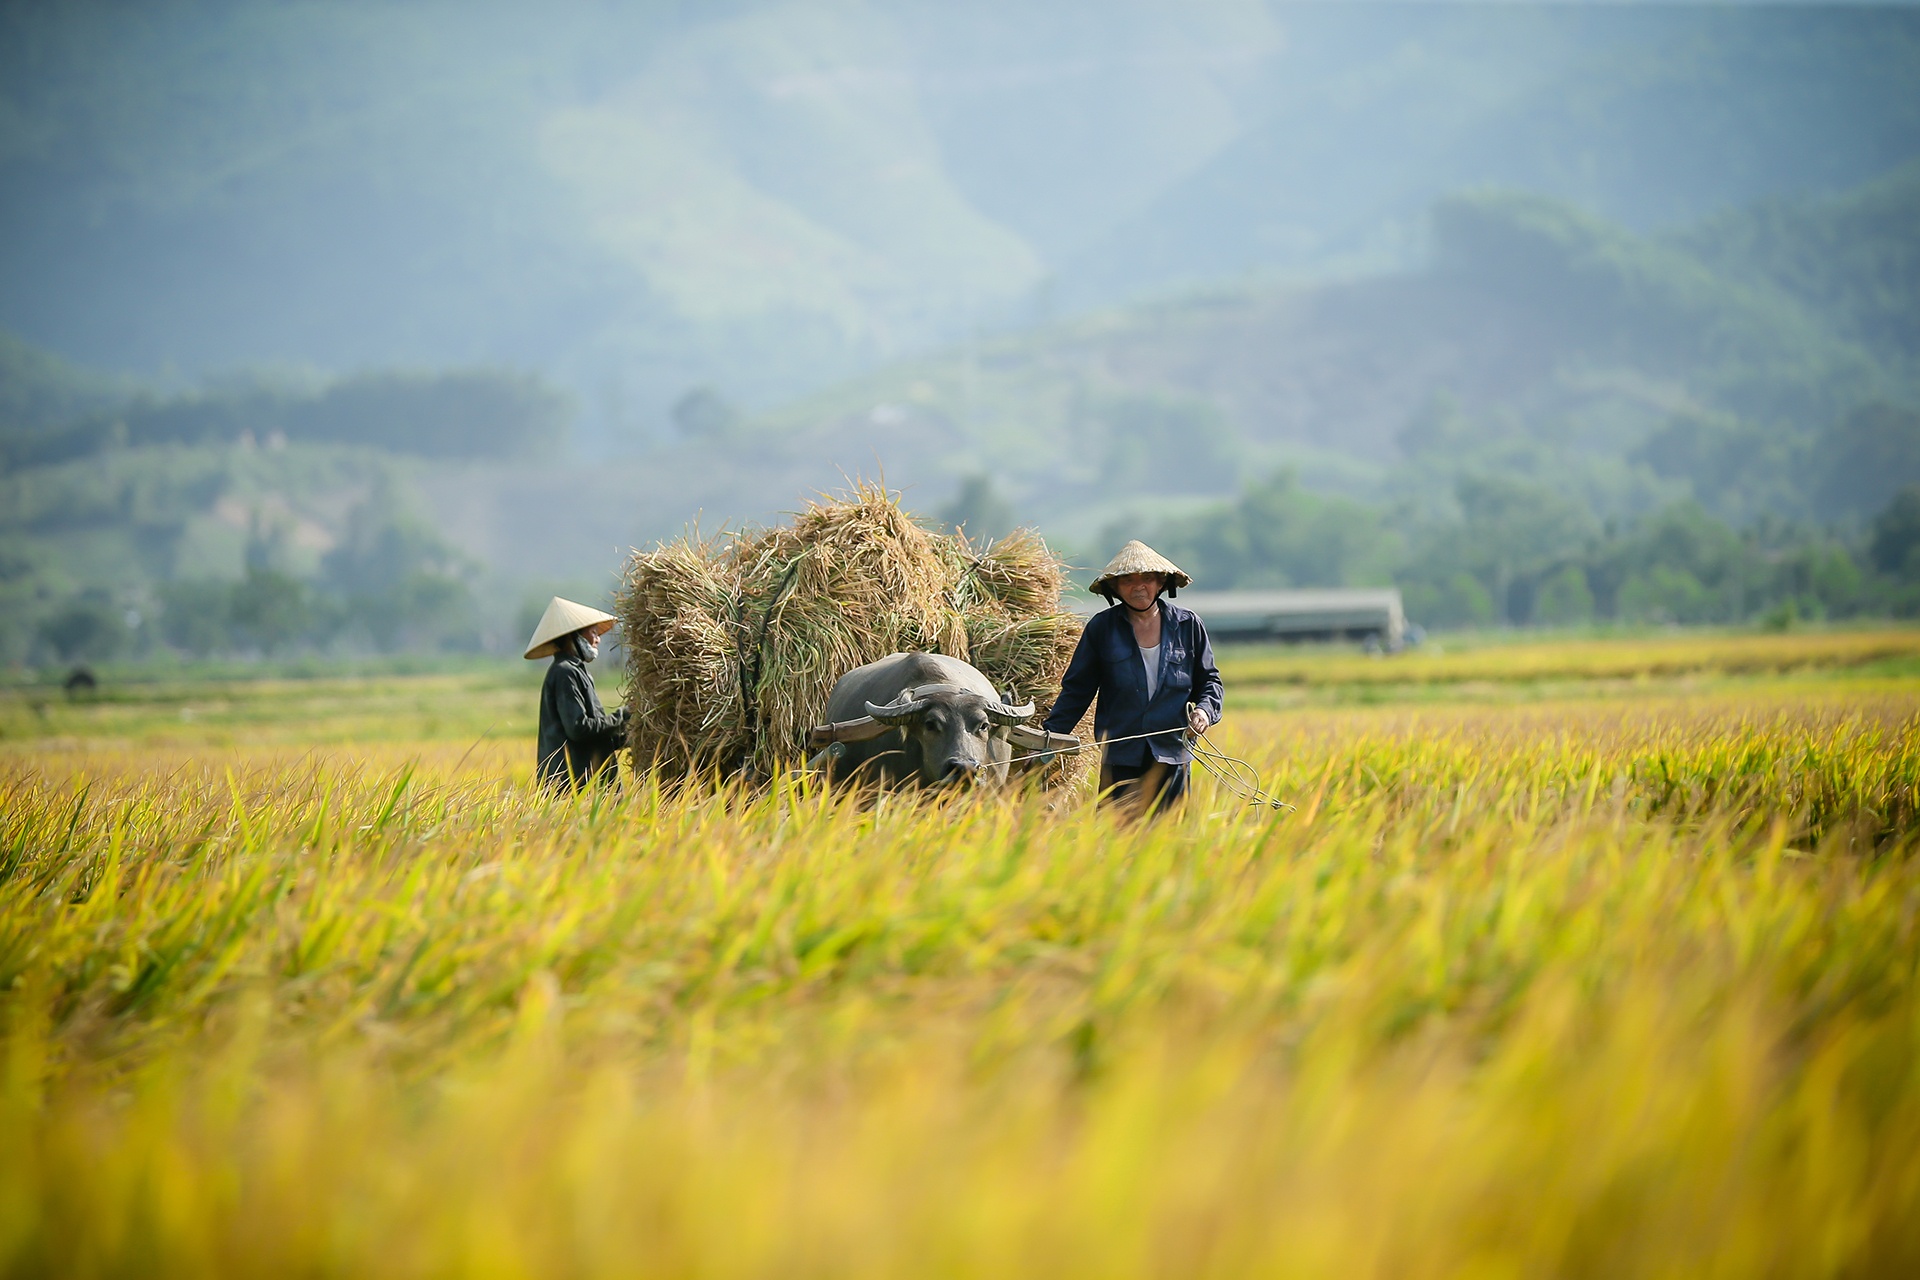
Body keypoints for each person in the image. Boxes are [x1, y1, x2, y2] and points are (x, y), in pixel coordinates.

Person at [1041, 541, 1223, 816]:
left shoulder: (1188, 625)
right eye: (1128, 580)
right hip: (1122, 756)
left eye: (1147, 579)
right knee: (1117, 842)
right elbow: (1077, 690)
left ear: (1161, 582)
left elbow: (1209, 681)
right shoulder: (1101, 629)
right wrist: (1051, 738)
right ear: (1115, 587)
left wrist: (1204, 712)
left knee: (1171, 841)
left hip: (1173, 754)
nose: (1139, 587)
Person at [524, 596, 628, 792]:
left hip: (591, 783)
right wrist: (623, 715)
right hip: (574, 787)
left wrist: (632, 736)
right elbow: (579, 729)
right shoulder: (565, 672)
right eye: (594, 633)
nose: (598, 640)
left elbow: (594, 735)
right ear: (574, 637)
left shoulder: (578, 672)